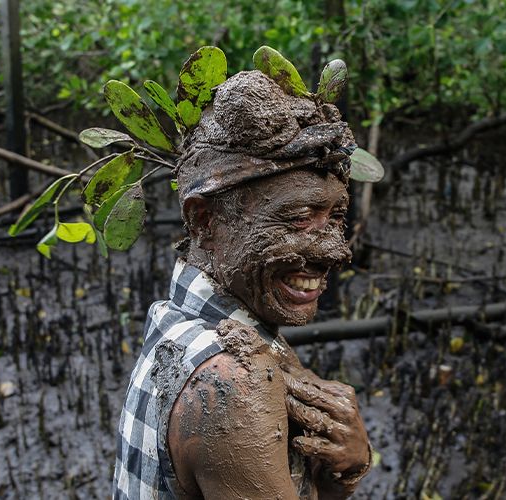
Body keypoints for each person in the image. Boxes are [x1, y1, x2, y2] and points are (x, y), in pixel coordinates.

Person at [113, 69, 372, 499]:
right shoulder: (233, 383)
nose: (335, 250)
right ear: (204, 220)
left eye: (336, 218)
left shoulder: (174, 321)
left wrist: (342, 472)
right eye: (298, 218)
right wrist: (354, 471)